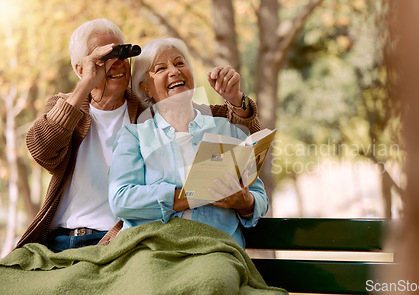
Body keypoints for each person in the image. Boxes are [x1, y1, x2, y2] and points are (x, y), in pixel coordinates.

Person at [18, 18, 261, 252]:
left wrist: (237, 101)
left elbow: (237, 131)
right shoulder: (66, 107)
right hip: (61, 237)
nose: (116, 63)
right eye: (103, 58)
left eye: (122, 54)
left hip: (114, 240)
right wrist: (86, 84)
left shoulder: (148, 110)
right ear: (80, 68)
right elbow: (42, 150)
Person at [108, 38, 269, 248]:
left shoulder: (226, 129)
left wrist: (246, 203)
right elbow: (122, 200)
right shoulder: (134, 136)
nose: (174, 71)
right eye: (161, 68)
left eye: (180, 63)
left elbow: (260, 196)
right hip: (155, 249)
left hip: (216, 248)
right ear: (146, 89)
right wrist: (191, 196)